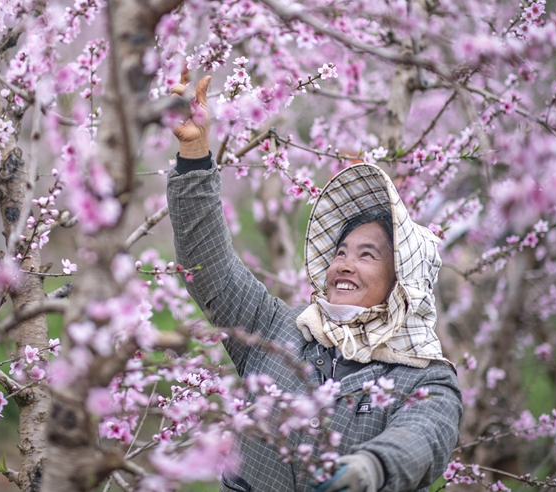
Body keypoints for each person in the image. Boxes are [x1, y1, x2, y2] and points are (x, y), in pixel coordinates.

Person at [166, 70, 462, 492]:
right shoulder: (275, 330)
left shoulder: (424, 378)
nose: (344, 263)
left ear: (403, 280)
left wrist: (372, 468)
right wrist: (194, 153)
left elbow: (423, 436)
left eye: (367, 255)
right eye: (340, 251)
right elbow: (206, 262)